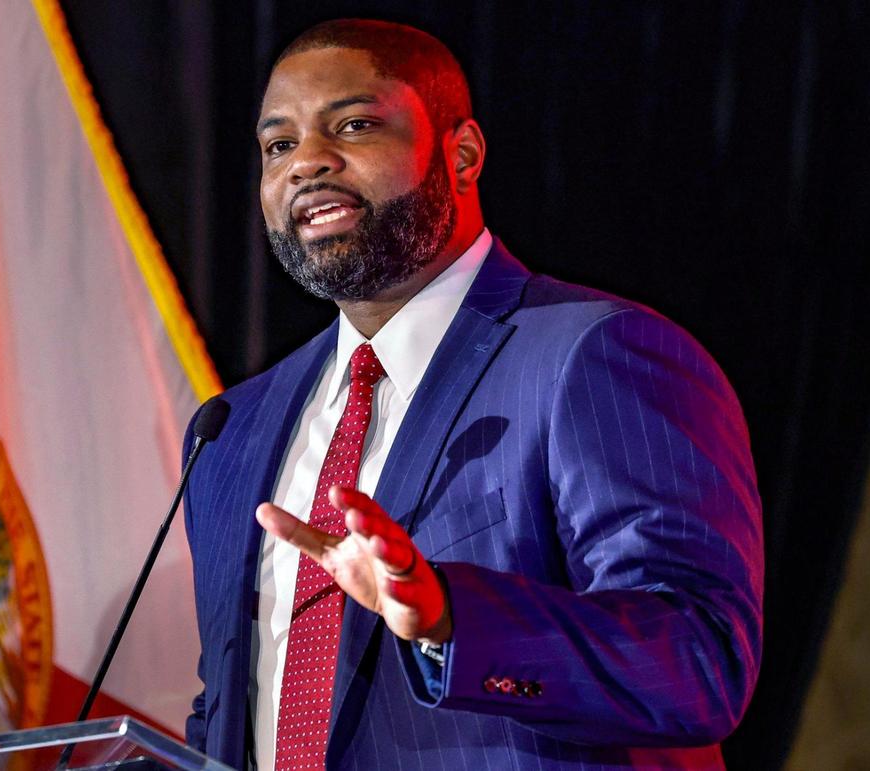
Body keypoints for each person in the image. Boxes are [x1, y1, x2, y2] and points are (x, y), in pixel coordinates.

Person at [182, 18, 762, 770]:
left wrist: (450, 620)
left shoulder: (593, 355)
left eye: (353, 125)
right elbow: (229, 711)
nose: (308, 164)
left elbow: (696, 662)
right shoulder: (233, 427)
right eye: (279, 145)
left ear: (460, 154)